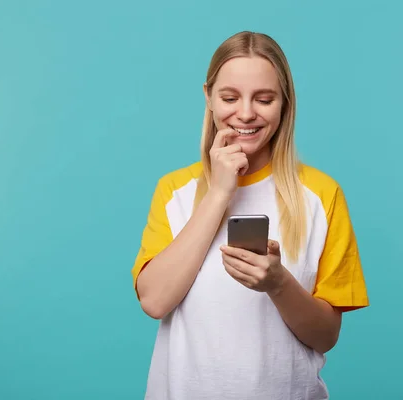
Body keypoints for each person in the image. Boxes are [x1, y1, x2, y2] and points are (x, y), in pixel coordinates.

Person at [131, 31, 369, 400]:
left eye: (264, 99)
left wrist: (278, 284)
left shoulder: (322, 196)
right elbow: (155, 301)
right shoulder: (174, 191)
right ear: (208, 97)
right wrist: (221, 192)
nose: (245, 113)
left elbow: (326, 336)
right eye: (229, 97)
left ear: (284, 103)